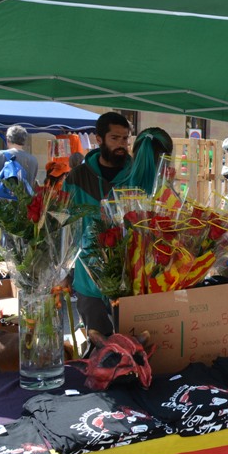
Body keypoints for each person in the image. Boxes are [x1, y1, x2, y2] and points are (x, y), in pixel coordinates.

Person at [65, 114, 172, 337]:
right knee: (100, 348)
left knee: (132, 348)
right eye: (115, 138)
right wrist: (63, 272)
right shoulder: (77, 178)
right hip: (89, 280)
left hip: (131, 279)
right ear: (99, 139)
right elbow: (64, 227)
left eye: (125, 139)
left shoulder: (139, 173)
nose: (121, 145)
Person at [0, 125, 39, 192]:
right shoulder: (33, 160)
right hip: (25, 201)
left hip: (1, 200)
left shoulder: (1, 155)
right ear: (24, 140)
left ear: (8, 139)